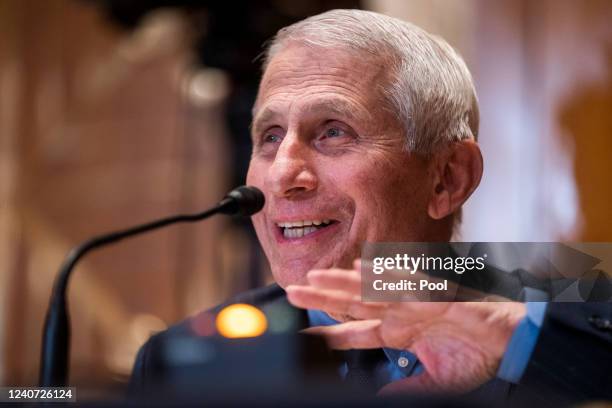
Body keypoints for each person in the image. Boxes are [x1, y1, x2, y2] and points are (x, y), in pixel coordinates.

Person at [130, 9, 612, 404]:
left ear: (448, 178)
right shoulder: (182, 358)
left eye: (333, 131)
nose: (281, 175)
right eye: (270, 136)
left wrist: (519, 342)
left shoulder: (571, 302)